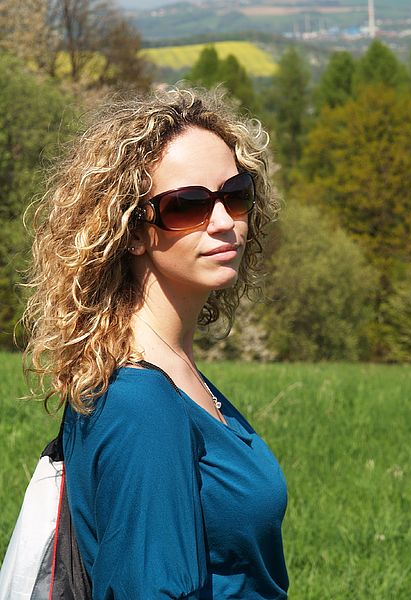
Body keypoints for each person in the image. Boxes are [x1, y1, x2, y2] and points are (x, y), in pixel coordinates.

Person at [22, 86, 289, 599]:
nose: (222, 222)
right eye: (186, 205)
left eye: (235, 195)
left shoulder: (170, 373)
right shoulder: (141, 402)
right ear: (133, 230)